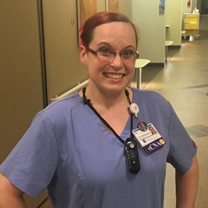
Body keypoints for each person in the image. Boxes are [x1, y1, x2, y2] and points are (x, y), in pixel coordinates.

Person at [0, 11, 199, 208]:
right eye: (105, 50)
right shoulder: (56, 121)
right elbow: (6, 190)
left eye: (128, 53)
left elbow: (188, 163)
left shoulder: (157, 107)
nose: (117, 63)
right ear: (84, 53)